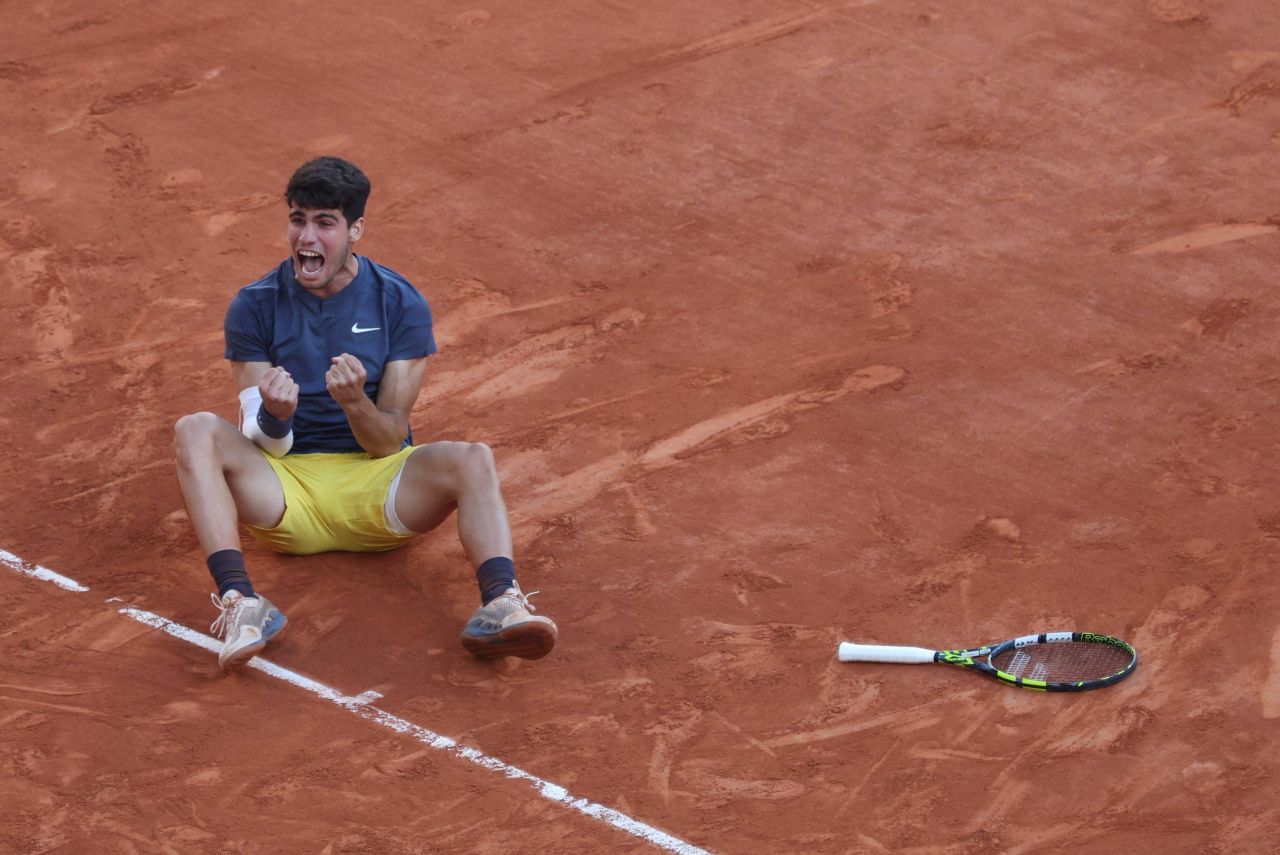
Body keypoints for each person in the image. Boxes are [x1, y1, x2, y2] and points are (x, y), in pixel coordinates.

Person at [173, 156, 556, 672]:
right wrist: (277, 417)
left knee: (472, 459)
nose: (306, 236)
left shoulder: (400, 305)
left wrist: (354, 402)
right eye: (297, 219)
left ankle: (501, 604)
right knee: (195, 429)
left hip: (378, 492)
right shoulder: (254, 305)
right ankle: (242, 603)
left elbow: (387, 441)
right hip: (286, 495)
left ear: (354, 230)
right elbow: (257, 439)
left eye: (324, 222)